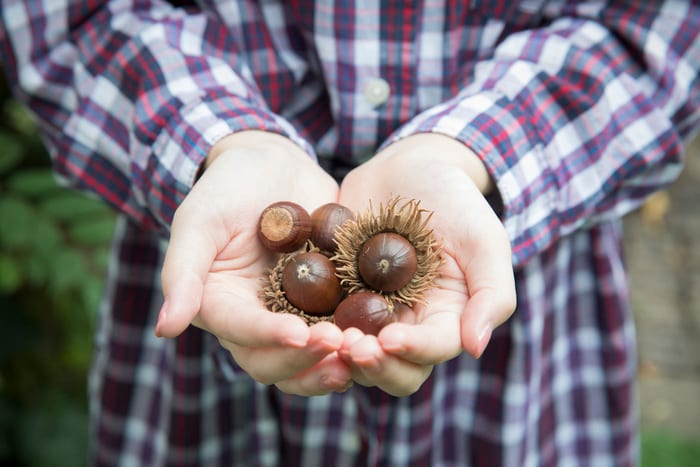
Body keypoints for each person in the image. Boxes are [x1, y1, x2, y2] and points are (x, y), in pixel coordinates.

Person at [1, 0, 699, 465]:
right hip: (208, 317)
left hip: (523, 334)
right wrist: (222, 140)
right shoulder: (293, 252)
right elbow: (69, 17)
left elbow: (660, 37)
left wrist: (465, 152)